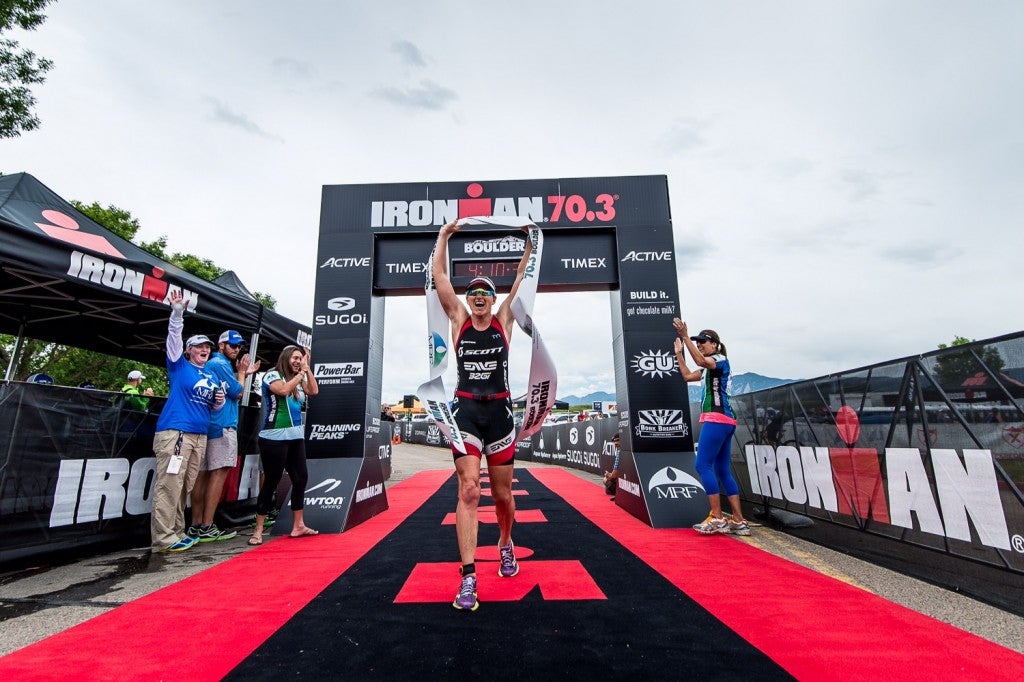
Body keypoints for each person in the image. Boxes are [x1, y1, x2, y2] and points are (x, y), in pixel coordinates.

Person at [432, 219, 533, 611]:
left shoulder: (503, 319)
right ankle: (469, 576)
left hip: (502, 415)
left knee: (503, 495)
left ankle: (505, 542)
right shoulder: (458, 319)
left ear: (493, 300)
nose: (478, 296)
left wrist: (530, 242)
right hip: (467, 412)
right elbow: (439, 275)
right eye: (472, 292)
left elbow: (524, 275)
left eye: (485, 293)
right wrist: (444, 237)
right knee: (470, 490)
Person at [150, 290, 225, 553]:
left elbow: (215, 405)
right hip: (176, 433)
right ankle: (163, 537)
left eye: (207, 347)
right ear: (188, 350)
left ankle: (177, 531)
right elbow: (172, 339)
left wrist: (219, 400)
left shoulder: (211, 375)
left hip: (199, 435)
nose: (204, 350)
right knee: (169, 483)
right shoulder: (179, 366)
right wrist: (178, 313)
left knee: (185, 485)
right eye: (199, 347)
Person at [672, 318, 750, 536]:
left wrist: (685, 336)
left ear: (715, 344)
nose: (700, 345)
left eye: (703, 342)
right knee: (722, 470)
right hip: (725, 420)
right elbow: (687, 375)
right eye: (698, 343)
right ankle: (739, 520)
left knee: (702, 465)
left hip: (717, 418)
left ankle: (717, 517)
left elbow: (700, 362)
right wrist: (679, 353)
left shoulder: (720, 360)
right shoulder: (710, 367)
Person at [187, 330, 261, 543]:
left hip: (207, 425)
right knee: (217, 474)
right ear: (221, 345)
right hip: (222, 425)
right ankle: (207, 525)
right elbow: (238, 392)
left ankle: (196, 524)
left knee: (203, 474)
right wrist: (242, 373)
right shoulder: (219, 364)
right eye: (232, 345)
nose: (237, 350)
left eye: (238, 346)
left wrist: (243, 374)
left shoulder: (212, 364)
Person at [250, 345, 319, 545]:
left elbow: (313, 391)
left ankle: (298, 525)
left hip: (296, 436)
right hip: (273, 435)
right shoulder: (272, 375)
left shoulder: (299, 378)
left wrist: (308, 369)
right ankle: (259, 529)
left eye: (300, 358)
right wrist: (300, 374)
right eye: (295, 358)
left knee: (301, 478)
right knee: (272, 480)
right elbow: (283, 390)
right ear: (286, 358)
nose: (298, 361)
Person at [603, 432, 622, 499]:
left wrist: (608, 475)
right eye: (614, 441)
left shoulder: (620, 453)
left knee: (605, 480)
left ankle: (618, 493)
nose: (616, 443)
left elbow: (613, 476)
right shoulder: (620, 452)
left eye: (618, 440)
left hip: (624, 484)